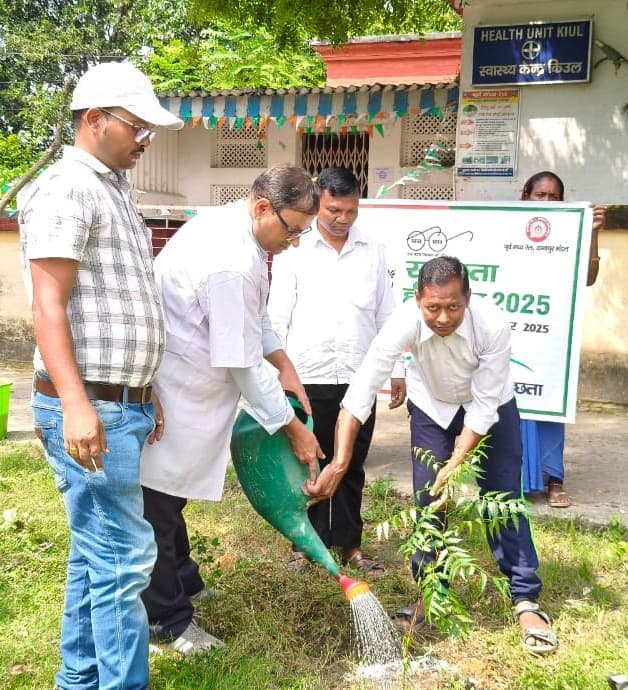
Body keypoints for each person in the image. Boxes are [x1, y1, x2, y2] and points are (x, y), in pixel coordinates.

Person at [18, 61, 183, 690]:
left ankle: (79, 680)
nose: (145, 141)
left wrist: (146, 386)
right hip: (91, 409)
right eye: (137, 128)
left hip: (122, 401)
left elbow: (120, 299)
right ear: (95, 121)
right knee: (123, 560)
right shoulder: (67, 188)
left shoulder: (111, 187)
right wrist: (78, 403)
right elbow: (47, 304)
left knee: (98, 559)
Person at [307, 256, 558, 654]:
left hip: (489, 408)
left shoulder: (492, 326)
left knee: (503, 500)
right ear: (418, 300)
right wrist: (339, 462)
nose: (442, 317)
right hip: (431, 406)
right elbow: (359, 395)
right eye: (433, 308)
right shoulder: (402, 323)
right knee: (429, 502)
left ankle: (525, 597)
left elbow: (483, 407)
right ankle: (430, 594)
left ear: (468, 299)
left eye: (453, 307)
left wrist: (455, 465)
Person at [139, 164, 324, 654]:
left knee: (168, 497)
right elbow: (240, 361)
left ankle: (186, 584)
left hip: (196, 388)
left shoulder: (241, 230)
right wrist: (292, 429)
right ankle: (166, 620)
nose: (295, 242)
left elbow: (253, 313)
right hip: (177, 389)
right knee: (157, 504)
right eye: (292, 230)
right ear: (263, 206)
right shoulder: (231, 260)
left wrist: (282, 361)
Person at [267, 167, 405, 576]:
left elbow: (387, 314)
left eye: (351, 210)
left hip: (359, 379)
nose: (343, 218)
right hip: (306, 376)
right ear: (318, 202)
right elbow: (277, 316)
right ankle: (305, 545)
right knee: (307, 461)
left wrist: (396, 368)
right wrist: (278, 374)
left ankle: (349, 545)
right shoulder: (295, 249)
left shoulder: (374, 251)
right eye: (333, 210)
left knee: (351, 464)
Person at [518, 171, 605, 507]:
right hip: (512, 334)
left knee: (550, 404)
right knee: (513, 409)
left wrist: (593, 234)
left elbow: (588, 277)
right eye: (540, 195)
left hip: (551, 336)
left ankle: (554, 480)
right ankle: (515, 480)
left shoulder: (570, 232)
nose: (547, 202)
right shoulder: (504, 227)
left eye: (554, 196)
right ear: (525, 197)